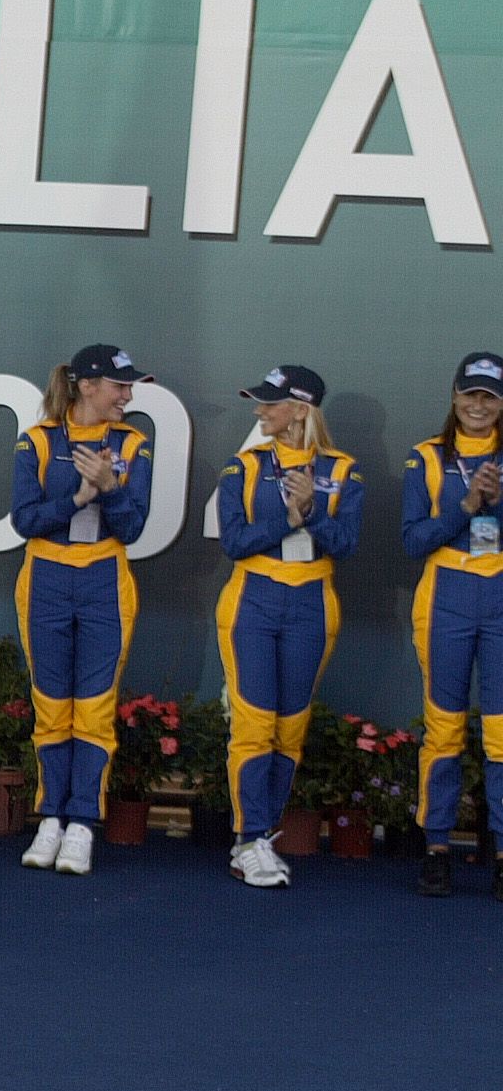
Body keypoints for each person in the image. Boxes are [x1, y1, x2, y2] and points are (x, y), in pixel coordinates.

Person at [9, 344, 155, 876]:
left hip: (104, 579)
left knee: (94, 706)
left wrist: (109, 489)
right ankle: (50, 817)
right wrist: (76, 498)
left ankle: (82, 825)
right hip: (46, 576)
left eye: (130, 386)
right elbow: (24, 520)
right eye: (120, 385)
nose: (128, 395)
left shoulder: (133, 444)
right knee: (51, 704)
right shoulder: (38, 440)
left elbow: (132, 527)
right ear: (87, 385)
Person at [216, 364, 362, 890]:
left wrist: (313, 512)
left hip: (313, 603)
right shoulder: (245, 466)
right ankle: (248, 838)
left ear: (301, 409)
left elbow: (346, 544)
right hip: (252, 600)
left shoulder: (343, 470)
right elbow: (234, 542)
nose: (260, 411)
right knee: (254, 725)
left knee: (289, 729)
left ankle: (263, 837)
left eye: (270, 402)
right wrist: (289, 519)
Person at [400, 353, 503, 897]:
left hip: (500, 596)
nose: (478, 406)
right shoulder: (427, 457)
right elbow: (414, 539)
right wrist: (466, 505)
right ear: (455, 396)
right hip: (445, 597)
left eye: (490, 397)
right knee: (443, 727)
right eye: (471, 394)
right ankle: (437, 846)